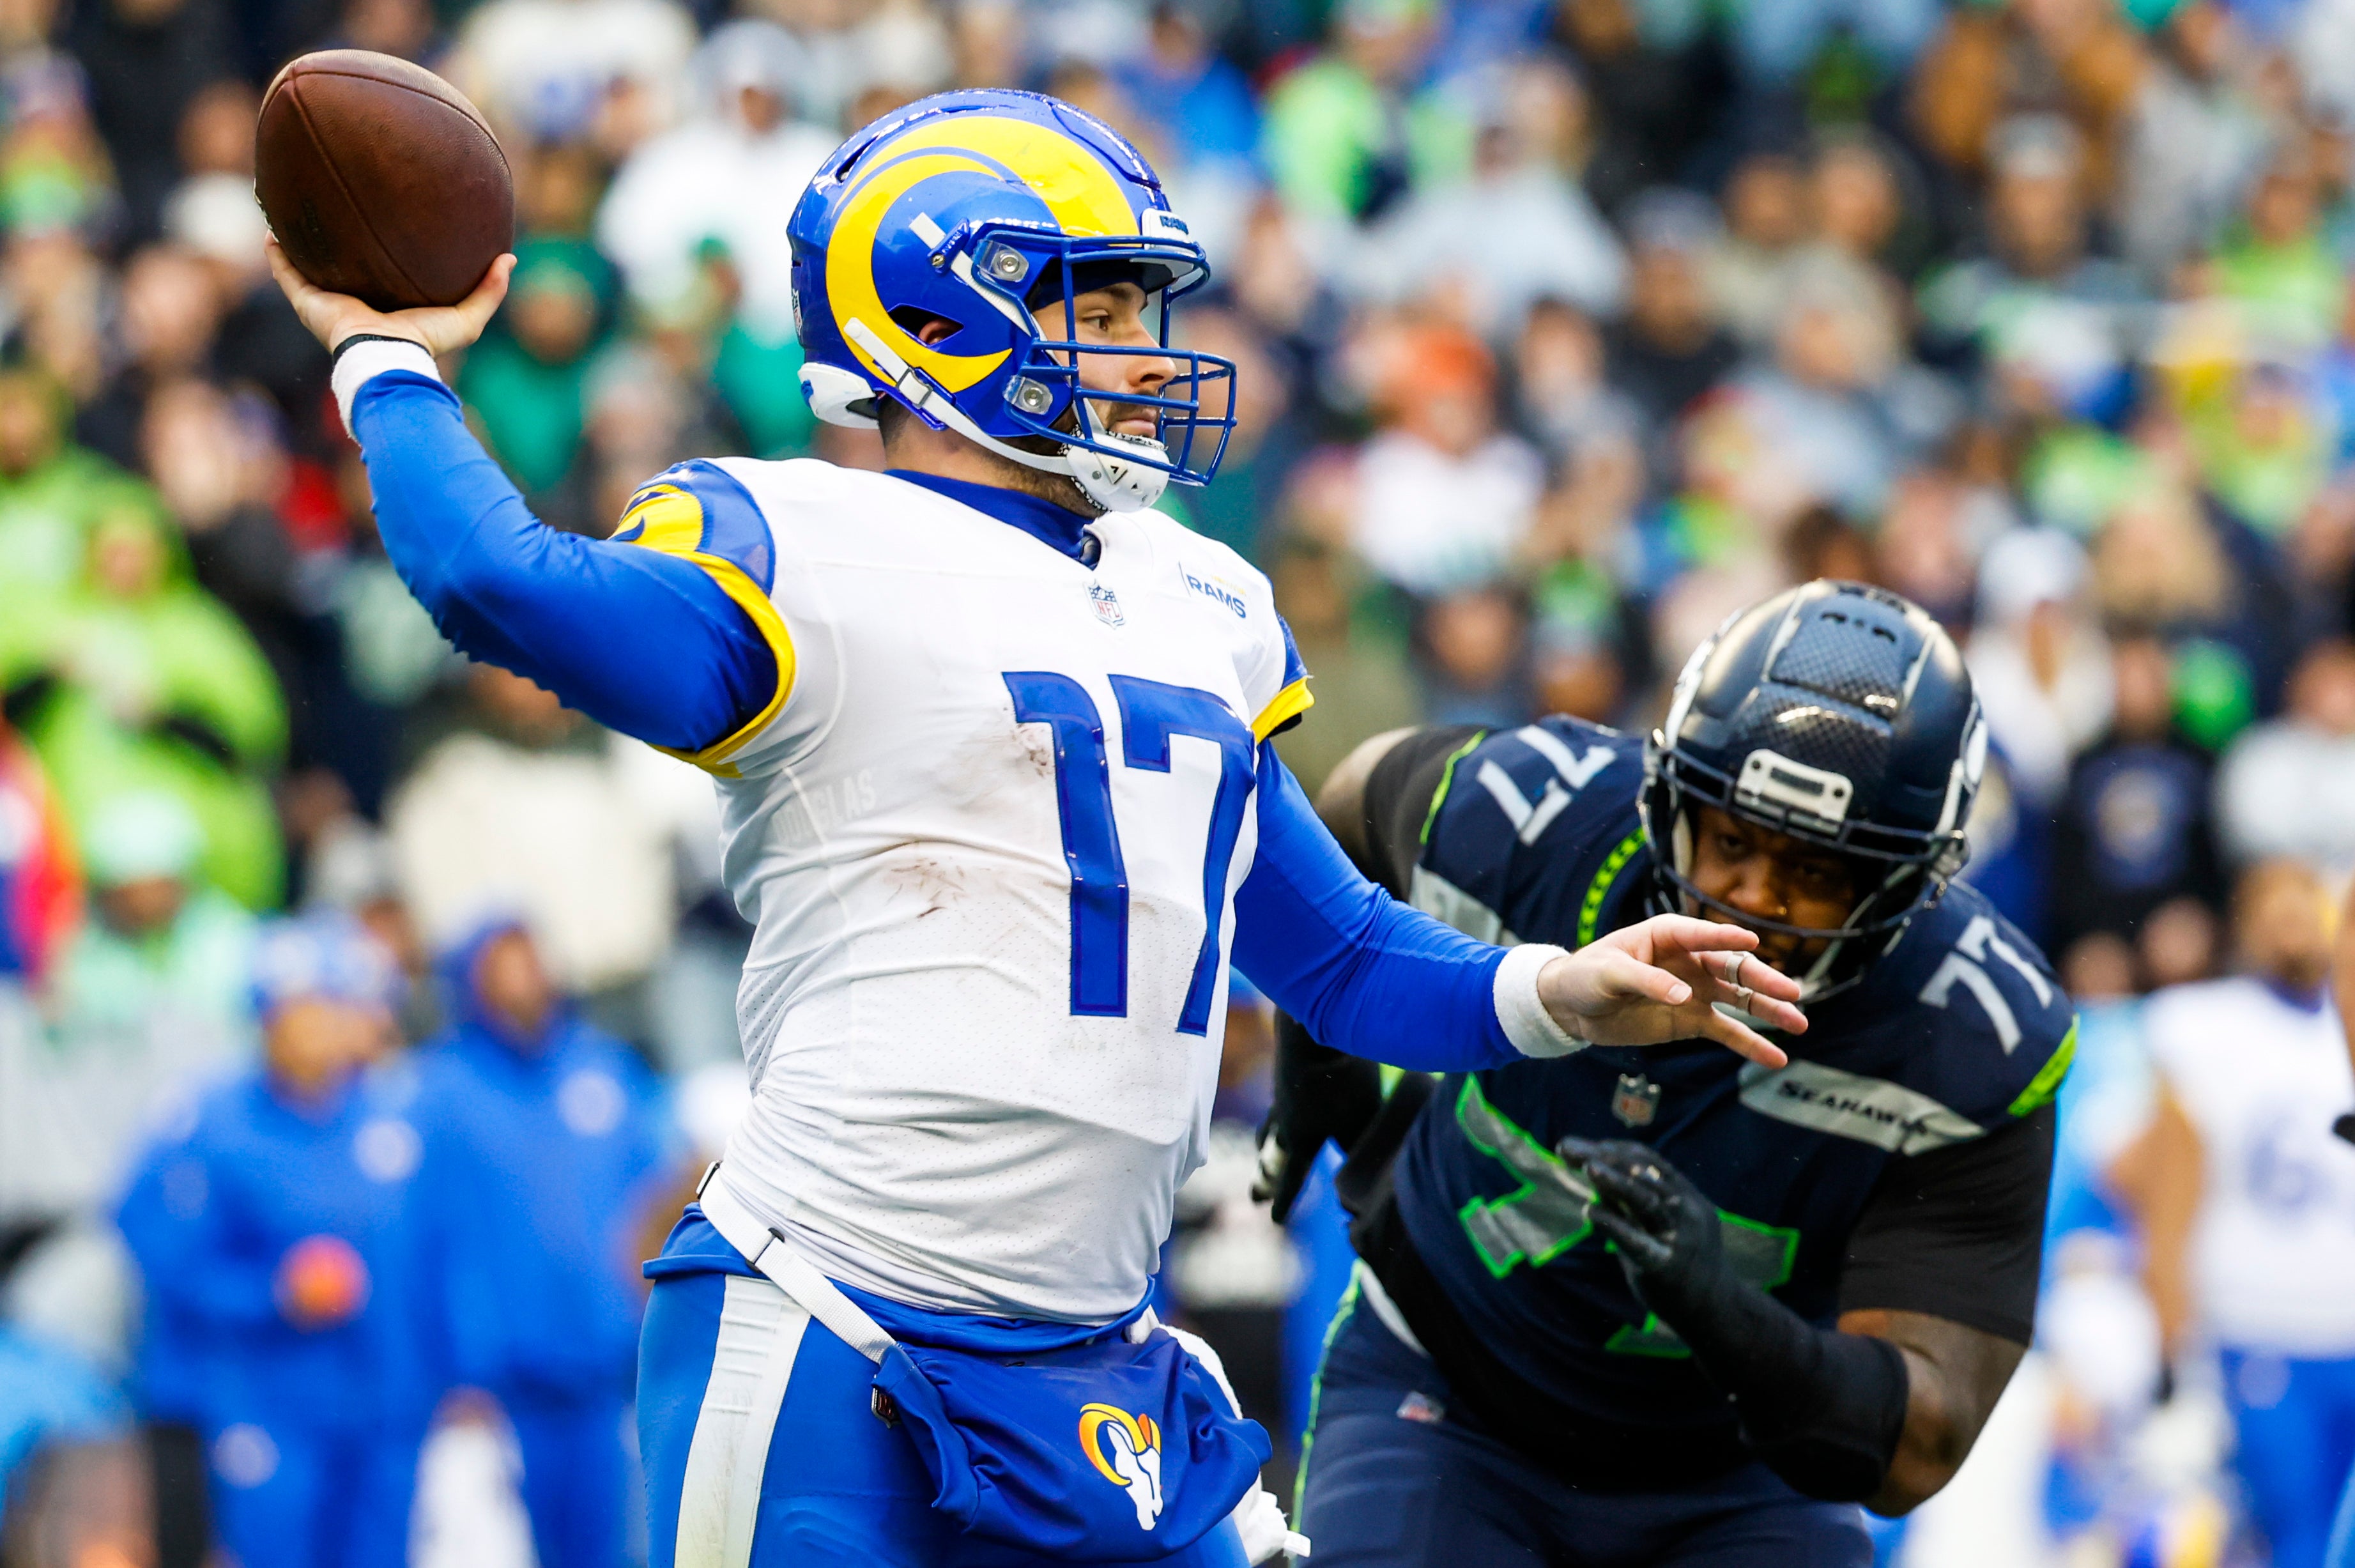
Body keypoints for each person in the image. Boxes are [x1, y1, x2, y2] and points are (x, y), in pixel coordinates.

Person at [267, 87, 1806, 1568]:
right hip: (831, 1329)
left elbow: (1335, 955)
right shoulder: (802, 541)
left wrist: (1557, 988)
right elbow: (498, 582)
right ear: (934, 317)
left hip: (1102, 1362)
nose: (1149, 354)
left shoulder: (1198, 596)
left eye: (1145, 311)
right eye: (1104, 308)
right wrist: (384, 357)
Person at [1261, 581, 2075, 1565]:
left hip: (1734, 1466)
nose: (1754, 899)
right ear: (1672, 799)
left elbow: (1918, 1444)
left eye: (1816, 871)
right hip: (1444, 1391)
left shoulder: (1971, 1035)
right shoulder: (1531, 819)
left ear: (1902, 882)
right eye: (1731, 840)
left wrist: (1722, 1312)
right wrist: (1319, 1061)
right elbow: (1350, 811)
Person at [114, 912, 424, 1568]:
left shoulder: (390, 1118)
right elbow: (157, 1247)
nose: (319, 1027)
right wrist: (271, 1293)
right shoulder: (209, 1120)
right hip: (262, 1401)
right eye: (300, 1009)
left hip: (378, 1401)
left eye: (332, 1006)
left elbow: (432, 1260)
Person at [403, 918, 675, 1568]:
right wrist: (446, 1371)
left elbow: (663, 1205)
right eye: (501, 965)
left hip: (607, 1380)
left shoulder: (606, 1072)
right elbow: (415, 1247)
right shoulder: (439, 1093)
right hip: (497, 1395)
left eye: (529, 960)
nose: (522, 979)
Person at [2131, 859, 2355, 1568]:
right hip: (2260, 1329)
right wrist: (2173, 1351)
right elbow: (2148, 1187)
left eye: (2305, 908)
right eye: (2273, 911)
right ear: (2243, 925)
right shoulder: (2203, 1026)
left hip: (2346, 1323)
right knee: (2294, 1539)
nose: (2292, 927)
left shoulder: (2342, 1019)